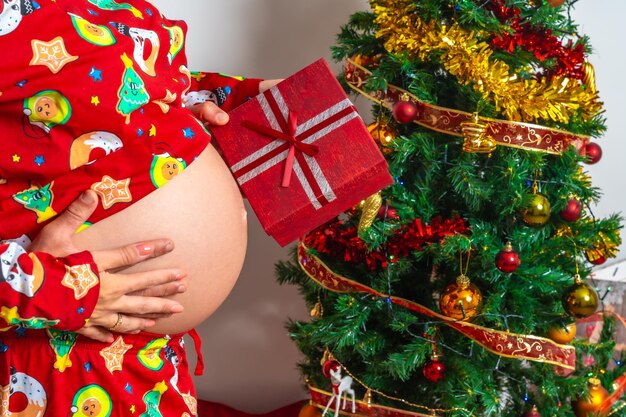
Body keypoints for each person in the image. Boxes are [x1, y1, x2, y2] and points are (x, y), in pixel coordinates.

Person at [0, 0, 280, 414]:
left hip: (147, 357)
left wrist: (220, 100)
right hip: (55, 353)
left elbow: (83, 82)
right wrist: (40, 290)